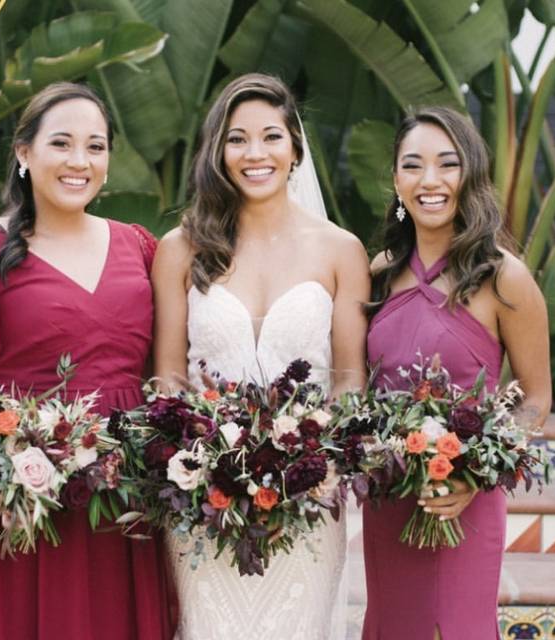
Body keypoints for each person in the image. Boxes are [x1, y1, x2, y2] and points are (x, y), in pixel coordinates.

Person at [0, 82, 173, 640]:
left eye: (96, 147)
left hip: (116, 501)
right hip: (11, 507)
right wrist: (14, 472)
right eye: (62, 144)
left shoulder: (142, 248)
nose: (80, 162)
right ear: (24, 154)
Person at [152, 73, 370, 639]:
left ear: (296, 147)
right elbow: (169, 374)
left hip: (308, 498)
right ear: (216, 152)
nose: (256, 153)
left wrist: (320, 462)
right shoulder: (180, 249)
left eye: (271, 136)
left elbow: (349, 378)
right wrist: (194, 463)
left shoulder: (341, 250)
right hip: (204, 499)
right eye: (237, 138)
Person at [362, 106, 551, 639]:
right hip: (390, 497)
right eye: (413, 166)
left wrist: (472, 470)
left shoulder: (504, 278)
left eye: (447, 164)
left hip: (465, 504)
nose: (430, 181)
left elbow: (535, 399)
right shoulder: (378, 274)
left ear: (470, 175)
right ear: (397, 180)